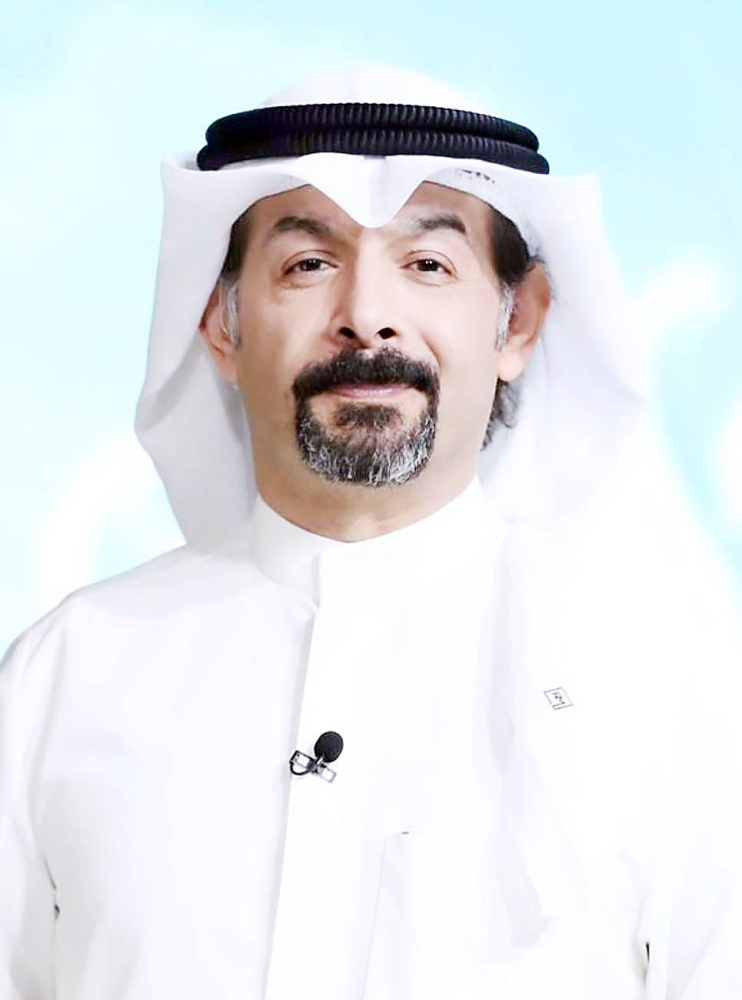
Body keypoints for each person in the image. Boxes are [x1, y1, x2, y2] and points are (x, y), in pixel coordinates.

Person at [1, 66, 740, 1000]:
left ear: (519, 323)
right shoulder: (64, 678)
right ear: (221, 326)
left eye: (428, 265)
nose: (367, 317)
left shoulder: (669, 679)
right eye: (308, 264)